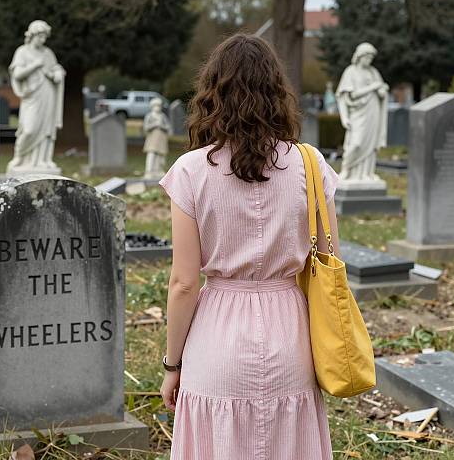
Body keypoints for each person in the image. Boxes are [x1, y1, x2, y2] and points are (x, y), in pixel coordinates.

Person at [158, 33, 340, 459]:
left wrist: (172, 365)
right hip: (291, 335)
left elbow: (184, 283)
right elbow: (330, 259)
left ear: (212, 93)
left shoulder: (190, 170)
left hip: (216, 339)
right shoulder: (310, 165)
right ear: (277, 92)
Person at [6, 20, 66, 175]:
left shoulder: (48, 53)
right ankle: (19, 156)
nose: (43, 40)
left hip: (48, 93)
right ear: (32, 35)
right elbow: (17, 74)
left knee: (46, 128)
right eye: (40, 36)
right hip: (32, 95)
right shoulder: (22, 52)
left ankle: (43, 160)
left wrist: (58, 74)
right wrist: (35, 65)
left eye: (45, 37)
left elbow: (55, 70)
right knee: (29, 129)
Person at [335, 42, 389, 181]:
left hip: (373, 111)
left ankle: (367, 173)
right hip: (358, 113)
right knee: (356, 143)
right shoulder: (350, 71)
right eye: (367, 57)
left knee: (370, 145)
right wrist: (373, 87)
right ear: (360, 56)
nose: (369, 60)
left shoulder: (373, 72)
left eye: (371, 58)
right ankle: (347, 169)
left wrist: (383, 91)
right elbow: (351, 95)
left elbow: (382, 92)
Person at [143, 97, 172, 179]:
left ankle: (158, 171)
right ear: (152, 106)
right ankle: (149, 171)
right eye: (156, 106)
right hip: (152, 139)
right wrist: (155, 124)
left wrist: (162, 126)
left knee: (160, 155)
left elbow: (168, 127)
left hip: (161, 139)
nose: (157, 107)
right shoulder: (149, 116)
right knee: (151, 154)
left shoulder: (162, 116)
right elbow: (146, 127)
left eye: (159, 106)